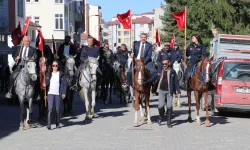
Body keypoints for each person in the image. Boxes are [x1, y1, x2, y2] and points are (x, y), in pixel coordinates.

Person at [156, 58, 181, 128]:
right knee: (160, 106)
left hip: (169, 91)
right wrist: (146, 82)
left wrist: (178, 91)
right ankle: (161, 116)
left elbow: (176, 82)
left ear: (169, 64)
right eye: (163, 64)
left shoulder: (172, 72)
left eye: (166, 64)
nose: (164, 65)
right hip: (161, 91)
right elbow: (154, 78)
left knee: (169, 106)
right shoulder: (159, 71)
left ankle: (169, 121)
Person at [45, 60, 66, 130]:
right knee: (50, 109)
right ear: (52, 66)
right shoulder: (49, 74)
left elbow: (64, 84)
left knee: (57, 109)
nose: (55, 67)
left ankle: (57, 123)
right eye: (53, 65)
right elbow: (46, 82)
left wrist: (63, 93)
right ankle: (49, 124)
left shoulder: (61, 74)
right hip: (50, 93)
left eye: (56, 65)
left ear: (58, 66)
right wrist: (45, 84)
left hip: (58, 93)